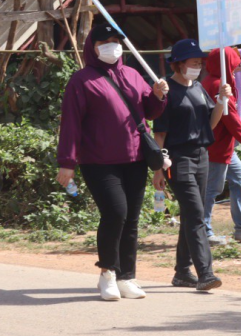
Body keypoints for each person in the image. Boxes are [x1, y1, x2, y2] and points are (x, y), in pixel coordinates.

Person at [57, 22, 169, 301]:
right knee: (115, 213)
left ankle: (127, 277)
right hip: (98, 161)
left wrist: (158, 95)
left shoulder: (133, 74)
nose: (112, 45)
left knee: (131, 218)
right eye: (104, 41)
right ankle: (107, 273)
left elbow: (150, 113)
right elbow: (70, 123)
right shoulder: (81, 81)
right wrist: (67, 162)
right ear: (92, 47)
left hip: (135, 158)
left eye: (116, 40)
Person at [152, 39, 233, 292]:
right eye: (193, 61)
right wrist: (157, 168)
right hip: (178, 159)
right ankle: (205, 273)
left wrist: (221, 101)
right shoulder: (167, 92)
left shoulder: (198, 87)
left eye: (200, 62)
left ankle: (182, 272)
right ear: (178, 64)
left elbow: (210, 124)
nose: (198, 65)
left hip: (202, 156)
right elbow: (160, 134)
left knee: (190, 215)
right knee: (196, 215)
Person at [202, 47, 241, 245]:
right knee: (211, 190)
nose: (239, 66)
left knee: (240, 178)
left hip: (225, 146)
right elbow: (233, 122)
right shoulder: (218, 86)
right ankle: (204, 232)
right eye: (236, 61)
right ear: (228, 62)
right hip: (216, 148)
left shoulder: (220, 83)